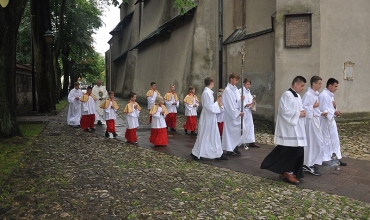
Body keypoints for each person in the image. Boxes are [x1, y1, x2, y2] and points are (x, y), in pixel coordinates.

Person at [261, 76, 307, 184]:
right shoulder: (287, 95)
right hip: (288, 129)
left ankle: (285, 170)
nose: (303, 88)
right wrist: (298, 114)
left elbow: (298, 109)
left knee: (293, 150)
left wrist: (302, 112)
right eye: (302, 85)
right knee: (293, 150)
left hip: (296, 128)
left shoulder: (298, 97)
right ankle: (288, 172)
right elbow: (283, 111)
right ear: (295, 84)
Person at [191, 78, 228, 160]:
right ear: (211, 83)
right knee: (207, 134)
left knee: (212, 135)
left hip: (209, 116)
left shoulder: (207, 93)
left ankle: (215, 152)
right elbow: (210, 107)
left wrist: (217, 103)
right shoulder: (207, 93)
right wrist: (217, 102)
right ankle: (203, 152)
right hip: (208, 117)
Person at [301, 76, 327, 176]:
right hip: (310, 122)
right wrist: (313, 106)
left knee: (317, 142)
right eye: (319, 83)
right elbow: (303, 108)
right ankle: (308, 164)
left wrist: (320, 113)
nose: (320, 85)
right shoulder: (308, 95)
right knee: (314, 142)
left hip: (315, 120)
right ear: (314, 83)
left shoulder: (315, 94)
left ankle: (310, 162)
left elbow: (314, 109)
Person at [318, 78, 347, 166]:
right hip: (325, 122)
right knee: (327, 140)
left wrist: (335, 109)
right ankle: (327, 158)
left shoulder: (331, 95)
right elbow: (323, 109)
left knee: (335, 139)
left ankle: (337, 157)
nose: (336, 88)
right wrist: (334, 112)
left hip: (331, 121)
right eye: (335, 86)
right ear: (330, 85)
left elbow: (331, 108)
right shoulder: (323, 95)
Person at [221, 73, 245, 156]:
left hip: (237, 113)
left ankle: (235, 146)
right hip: (231, 115)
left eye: (238, 80)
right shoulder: (227, 90)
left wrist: (241, 100)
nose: (237, 81)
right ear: (231, 79)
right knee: (230, 132)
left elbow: (236, 102)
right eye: (236, 80)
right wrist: (237, 113)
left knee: (240, 130)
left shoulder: (235, 90)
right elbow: (229, 105)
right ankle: (229, 149)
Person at [239, 78, 259, 148]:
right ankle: (241, 141)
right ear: (244, 84)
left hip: (248, 112)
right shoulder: (240, 91)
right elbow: (239, 100)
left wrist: (253, 103)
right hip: (243, 111)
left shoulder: (248, 92)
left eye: (249, 84)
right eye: (247, 84)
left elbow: (250, 100)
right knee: (243, 126)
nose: (248, 86)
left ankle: (251, 141)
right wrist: (245, 104)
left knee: (250, 126)